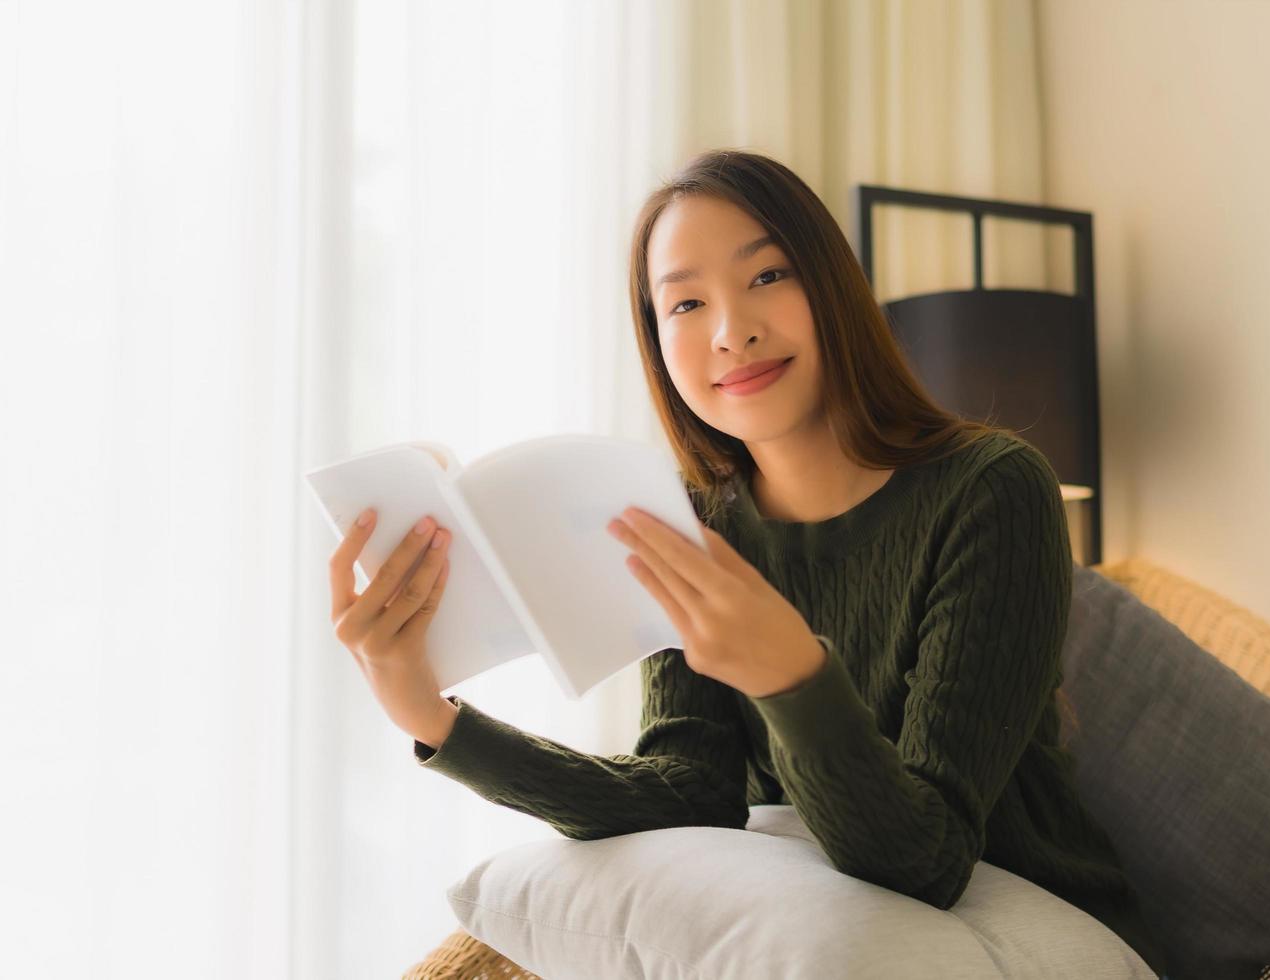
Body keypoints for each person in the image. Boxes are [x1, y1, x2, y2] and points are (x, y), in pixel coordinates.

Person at [327, 148, 1169, 977]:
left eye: (767, 277)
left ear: (833, 286)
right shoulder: (691, 520)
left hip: (1034, 927)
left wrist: (792, 677)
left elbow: (929, 858)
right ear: (658, 343)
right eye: (685, 303)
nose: (733, 332)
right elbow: (689, 793)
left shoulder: (991, 489)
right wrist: (434, 720)